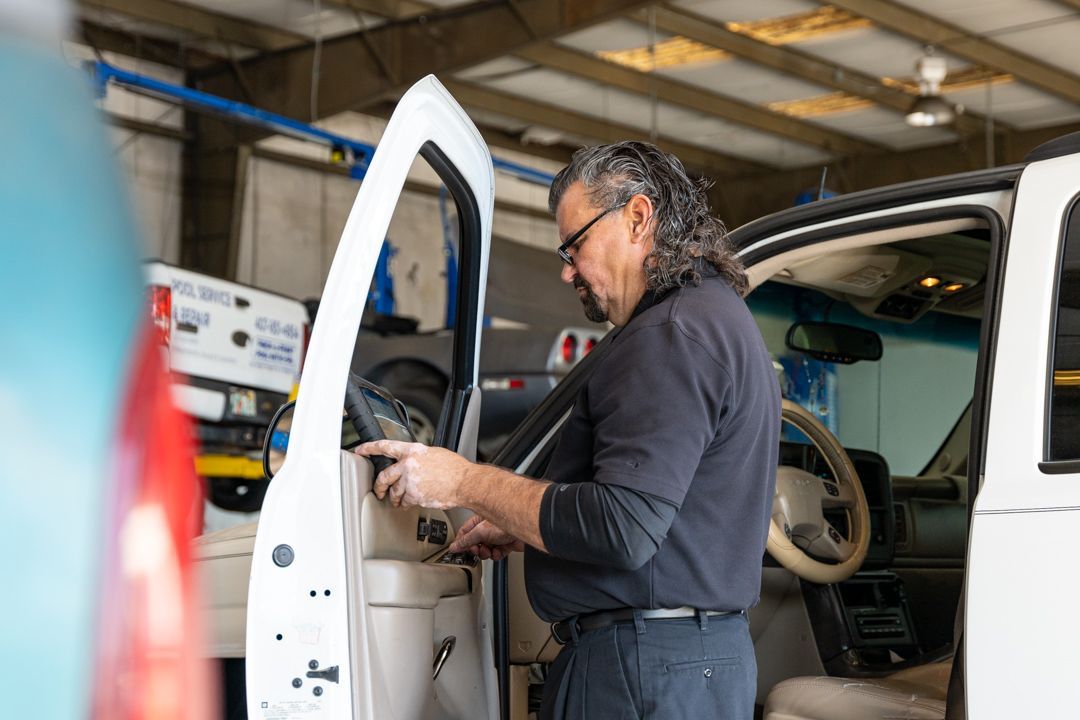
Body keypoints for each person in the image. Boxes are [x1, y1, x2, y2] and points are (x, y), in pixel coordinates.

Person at [355, 141, 780, 719]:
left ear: (637, 217)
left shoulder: (668, 335)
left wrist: (462, 482)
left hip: (639, 671)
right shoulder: (717, 317)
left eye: (575, 245)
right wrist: (521, 520)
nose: (566, 270)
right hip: (695, 666)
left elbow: (623, 527)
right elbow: (667, 516)